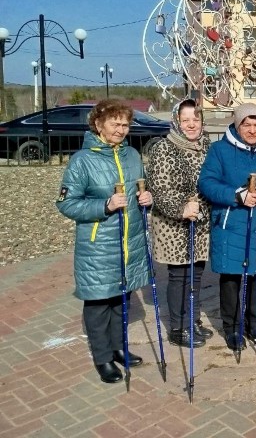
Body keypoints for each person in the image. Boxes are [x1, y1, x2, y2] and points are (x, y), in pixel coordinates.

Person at [56, 99, 153, 384]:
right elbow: (66, 203)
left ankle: (118, 348)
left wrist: (146, 199)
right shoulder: (82, 160)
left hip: (129, 241)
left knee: (121, 299)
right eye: (115, 123)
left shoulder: (132, 155)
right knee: (99, 303)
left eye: (125, 124)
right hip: (99, 245)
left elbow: (141, 188)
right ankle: (103, 359)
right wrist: (104, 205)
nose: (121, 130)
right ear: (98, 125)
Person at [198, 103, 256, 351]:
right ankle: (232, 328)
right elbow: (207, 183)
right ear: (237, 126)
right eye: (246, 124)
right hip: (231, 225)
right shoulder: (220, 150)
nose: (252, 130)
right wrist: (237, 196)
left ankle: (254, 324)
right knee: (231, 279)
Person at [146, 98, 213, 348]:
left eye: (196, 119)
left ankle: (193, 319)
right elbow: (159, 188)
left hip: (201, 223)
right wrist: (182, 208)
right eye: (185, 120)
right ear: (176, 121)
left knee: (196, 274)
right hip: (175, 225)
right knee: (180, 276)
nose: (191, 124)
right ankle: (178, 326)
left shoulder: (206, 146)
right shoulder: (164, 148)